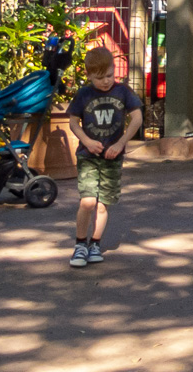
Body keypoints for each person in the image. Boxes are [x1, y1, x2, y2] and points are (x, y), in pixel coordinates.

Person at [65, 46, 142, 268]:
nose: (106, 81)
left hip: (112, 157)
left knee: (102, 204)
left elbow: (136, 118)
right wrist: (87, 142)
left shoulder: (123, 92)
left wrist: (120, 144)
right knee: (88, 201)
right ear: (89, 75)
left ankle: (95, 244)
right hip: (88, 156)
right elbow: (73, 122)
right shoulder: (84, 94)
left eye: (110, 75)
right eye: (99, 78)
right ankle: (80, 244)